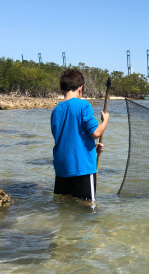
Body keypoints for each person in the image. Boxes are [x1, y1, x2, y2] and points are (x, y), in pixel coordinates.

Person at [50, 69, 109, 204]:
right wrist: (105, 120)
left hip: (62, 167)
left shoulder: (56, 110)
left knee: (64, 206)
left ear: (61, 89)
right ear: (80, 88)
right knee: (88, 207)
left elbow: (66, 139)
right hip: (81, 166)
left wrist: (92, 148)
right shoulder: (83, 105)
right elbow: (96, 133)